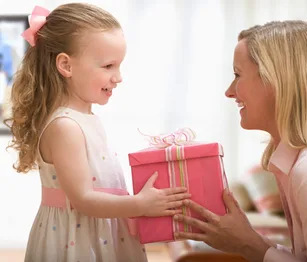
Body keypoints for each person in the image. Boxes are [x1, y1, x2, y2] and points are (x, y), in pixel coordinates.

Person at [173, 20, 307, 262]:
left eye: (238, 75)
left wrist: (247, 244)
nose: (229, 91)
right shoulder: (296, 160)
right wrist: (246, 240)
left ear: (276, 82)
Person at [5, 4, 190, 261]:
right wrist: (140, 204)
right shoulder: (65, 127)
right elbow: (83, 199)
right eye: (108, 66)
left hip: (99, 230)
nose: (119, 77)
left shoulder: (86, 119)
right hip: (77, 238)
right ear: (66, 66)